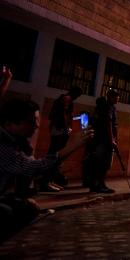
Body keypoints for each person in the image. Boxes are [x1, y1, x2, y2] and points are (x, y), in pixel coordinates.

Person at [0, 98, 90, 241]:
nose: (36, 125)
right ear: (9, 124)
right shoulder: (3, 146)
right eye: (31, 121)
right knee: (10, 213)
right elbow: (33, 168)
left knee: (28, 207)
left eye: (37, 120)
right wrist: (70, 148)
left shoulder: (18, 142)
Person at [39, 86, 83, 191]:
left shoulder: (65, 99)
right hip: (60, 130)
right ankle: (45, 182)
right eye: (78, 95)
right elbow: (63, 115)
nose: (77, 97)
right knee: (55, 156)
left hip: (59, 129)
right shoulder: (67, 99)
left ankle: (49, 181)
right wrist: (67, 128)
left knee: (56, 156)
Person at [85, 89, 119, 193]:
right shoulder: (108, 107)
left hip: (100, 139)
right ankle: (100, 185)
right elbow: (108, 123)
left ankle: (96, 184)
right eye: (116, 96)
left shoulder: (103, 108)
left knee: (99, 163)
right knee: (103, 164)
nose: (118, 98)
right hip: (105, 140)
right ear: (110, 97)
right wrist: (112, 139)